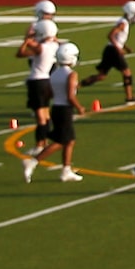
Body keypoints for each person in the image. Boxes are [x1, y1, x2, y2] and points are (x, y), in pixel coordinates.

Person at [24, 41, 84, 183]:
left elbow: (49, 93)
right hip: (64, 109)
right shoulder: (71, 74)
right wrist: (79, 107)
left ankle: (66, 170)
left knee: (69, 141)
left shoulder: (55, 72)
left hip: (56, 108)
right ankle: (33, 162)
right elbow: (70, 96)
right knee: (61, 142)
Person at [18, 1, 59, 126]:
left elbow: (54, 38)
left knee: (50, 84)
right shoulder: (34, 26)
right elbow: (28, 40)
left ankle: (44, 107)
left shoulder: (50, 26)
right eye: (46, 14)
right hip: (38, 56)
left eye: (50, 14)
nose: (49, 16)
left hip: (48, 56)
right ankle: (38, 108)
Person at [97, 1, 135, 104]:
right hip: (113, 50)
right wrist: (119, 49)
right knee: (127, 73)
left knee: (101, 76)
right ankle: (129, 97)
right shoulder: (123, 23)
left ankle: (78, 85)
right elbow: (110, 35)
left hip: (110, 49)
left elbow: (118, 38)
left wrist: (125, 47)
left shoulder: (123, 22)